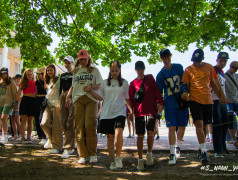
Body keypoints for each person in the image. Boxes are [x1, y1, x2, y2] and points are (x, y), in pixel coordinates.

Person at [181, 49, 228, 164]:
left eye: (198, 61)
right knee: (199, 123)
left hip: (208, 100)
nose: (196, 63)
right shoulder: (188, 69)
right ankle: (203, 152)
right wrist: (184, 92)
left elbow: (215, 83)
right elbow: (184, 84)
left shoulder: (209, 67)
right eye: (194, 61)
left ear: (202, 59)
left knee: (205, 126)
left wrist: (221, 96)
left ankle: (200, 147)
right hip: (194, 100)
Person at [85, 61, 133, 170]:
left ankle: (118, 157)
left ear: (119, 70)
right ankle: (112, 161)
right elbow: (100, 97)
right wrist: (90, 91)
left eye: (116, 70)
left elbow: (127, 98)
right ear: (109, 71)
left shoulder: (125, 83)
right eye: (112, 70)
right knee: (110, 137)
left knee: (118, 135)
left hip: (120, 112)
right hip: (106, 113)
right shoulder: (104, 82)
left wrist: (131, 111)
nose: (114, 72)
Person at [66, 49, 103, 165]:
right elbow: (73, 86)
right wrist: (68, 97)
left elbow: (99, 85)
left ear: (88, 59)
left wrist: (90, 86)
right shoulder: (76, 71)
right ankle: (82, 154)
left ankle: (92, 153)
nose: (83, 61)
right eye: (81, 59)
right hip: (78, 100)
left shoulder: (95, 70)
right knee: (78, 127)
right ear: (78, 59)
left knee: (90, 125)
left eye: (85, 59)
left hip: (91, 99)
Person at [129, 61, 164, 171]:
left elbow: (157, 92)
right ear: (135, 70)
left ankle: (149, 153)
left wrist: (160, 102)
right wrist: (130, 112)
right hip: (139, 112)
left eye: (141, 68)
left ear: (144, 69)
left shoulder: (150, 78)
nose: (140, 70)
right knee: (140, 135)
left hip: (151, 111)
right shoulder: (132, 83)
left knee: (150, 133)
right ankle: (140, 159)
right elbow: (131, 100)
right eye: (138, 69)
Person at [156, 48, 189, 165]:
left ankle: (177, 145)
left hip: (182, 102)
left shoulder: (179, 67)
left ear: (170, 56)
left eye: (167, 56)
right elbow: (159, 93)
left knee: (182, 127)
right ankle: (171, 153)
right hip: (169, 104)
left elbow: (185, 82)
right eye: (163, 57)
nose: (166, 59)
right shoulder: (160, 75)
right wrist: (158, 108)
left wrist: (185, 92)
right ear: (161, 58)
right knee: (171, 127)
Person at [210, 52, 234, 157]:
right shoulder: (213, 69)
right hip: (214, 100)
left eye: (225, 61)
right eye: (221, 60)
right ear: (217, 60)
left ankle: (223, 147)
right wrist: (220, 97)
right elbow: (214, 84)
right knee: (217, 124)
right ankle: (217, 150)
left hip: (223, 101)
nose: (223, 63)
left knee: (225, 124)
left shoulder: (222, 72)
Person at [41, 64, 63, 153]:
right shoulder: (47, 80)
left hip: (57, 104)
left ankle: (57, 146)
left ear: (55, 71)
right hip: (48, 103)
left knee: (56, 126)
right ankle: (50, 140)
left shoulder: (59, 79)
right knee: (44, 123)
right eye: (48, 70)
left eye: (51, 70)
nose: (49, 72)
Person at [59, 56, 75, 159]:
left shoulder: (75, 74)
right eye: (65, 63)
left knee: (70, 122)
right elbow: (60, 88)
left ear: (73, 63)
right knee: (63, 121)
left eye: (68, 63)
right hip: (63, 96)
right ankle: (70, 143)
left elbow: (74, 86)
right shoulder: (62, 75)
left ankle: (68, 147)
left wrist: (69, 97)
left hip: (72, 96)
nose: (66, 64)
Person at [16, 68, 36, 143]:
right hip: (25, 100)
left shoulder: (35, 82)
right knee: (23, 119)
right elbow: (18, 93)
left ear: (33, 75)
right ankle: (22, 137)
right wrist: (16, 103)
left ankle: (28, 137)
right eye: (28, 74)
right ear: (25, 75)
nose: (29, 75)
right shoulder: (23, 83)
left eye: (31, 74)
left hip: (33, 101)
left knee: (30, 120)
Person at [0, 67, 17, 144]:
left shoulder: (11, 81)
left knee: (4, 118)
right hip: (1, 102)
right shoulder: (0, 82)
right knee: (1, 119)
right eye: (3, 73)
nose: (4, 75)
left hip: (8, 102)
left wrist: (15, 103)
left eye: (5, 73)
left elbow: (14, 93)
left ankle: (5, 136)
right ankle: (3, 135)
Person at [225, 61, 238, 147]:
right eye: (233, 67)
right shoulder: (224, 76)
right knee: (230, 121)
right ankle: (234, 140)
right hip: (228, 101)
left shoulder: (236, 76)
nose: (235, 69)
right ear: (230, 66)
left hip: (236, 100)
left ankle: (236, 135)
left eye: (236, 68)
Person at [34, 67, 47, 144]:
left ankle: (45, 135)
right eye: (38, 74)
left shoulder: (47, 82)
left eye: (40, 74)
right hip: (37, 101)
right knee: (37, 118)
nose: (38, 75)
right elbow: (36, 93)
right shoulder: (36, 82)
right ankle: (40, 136)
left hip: (45, 101)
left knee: (43, 118)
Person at [10, 74, 22, 141]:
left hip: (18, 105)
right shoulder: (13, 86)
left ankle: (20, 134)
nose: (17, 80)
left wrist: (17, 105)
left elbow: (20, 97)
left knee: (17, 120)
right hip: (12, 105)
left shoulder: (20, 87)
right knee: (12, 120)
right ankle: (15, 134)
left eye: (19, 78)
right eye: (16, 78)